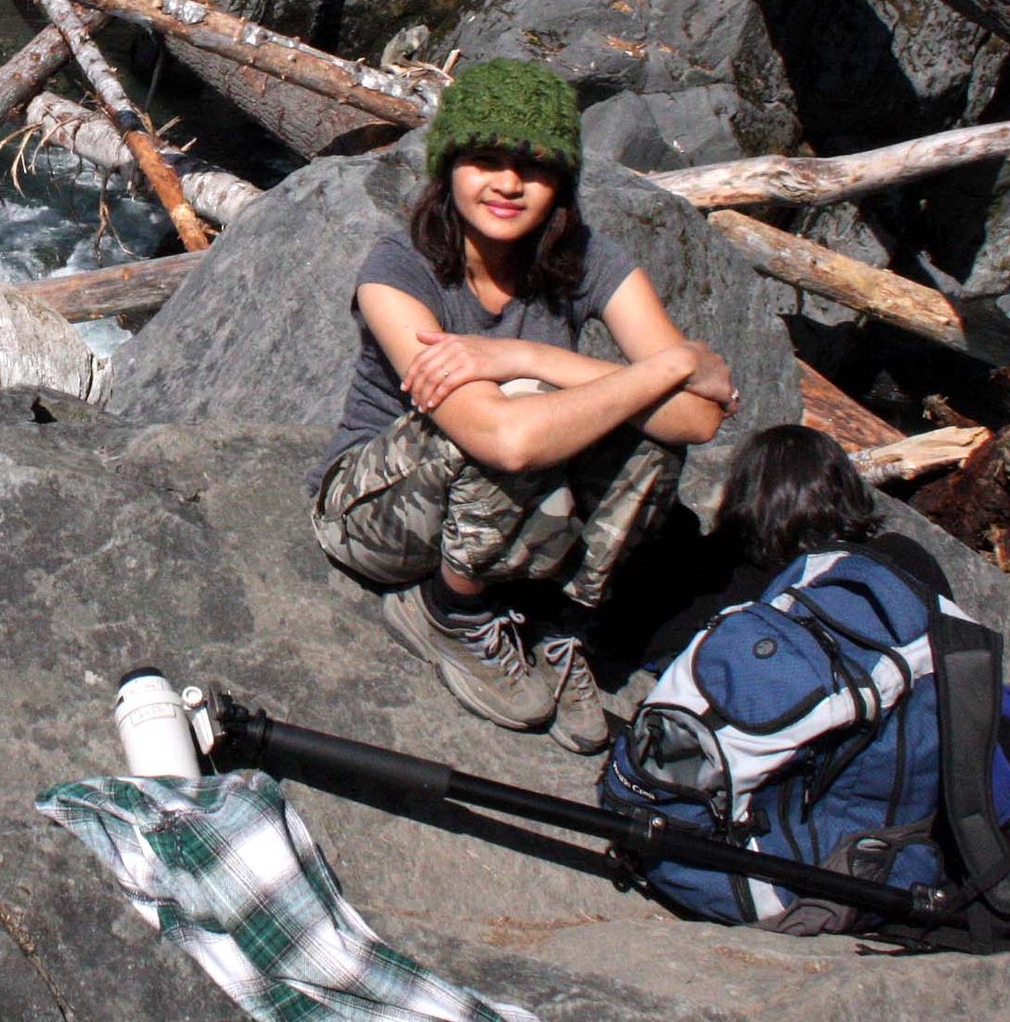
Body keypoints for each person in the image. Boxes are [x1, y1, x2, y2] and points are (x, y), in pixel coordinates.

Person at [313, 57, 736, 752]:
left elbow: (697, 419)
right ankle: (447, 610)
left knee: (644, 436)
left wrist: (530, 354)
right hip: (374, 512)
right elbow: (502, 439)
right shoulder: (398, 268)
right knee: (535, 407)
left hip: (510, 511)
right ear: (449, 166)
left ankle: (558, 621)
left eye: (534, 168)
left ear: (562, 181)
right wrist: (675, 363)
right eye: (484, 159)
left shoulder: (590, 257)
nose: (509, 184)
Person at [619, 424, 1010, 947]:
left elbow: (655, 655)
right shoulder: (900, 562)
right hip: (905, 802)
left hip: (754, 798)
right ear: (843, 489)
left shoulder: (723, 574)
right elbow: (964, 687)